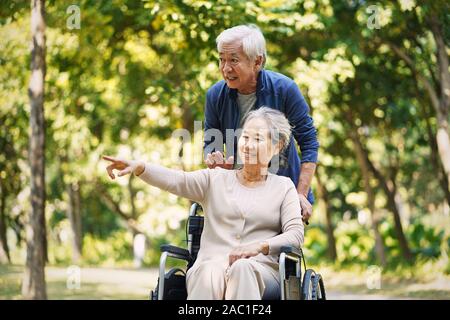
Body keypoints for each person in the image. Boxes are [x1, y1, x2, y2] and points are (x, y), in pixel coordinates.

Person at [103, 107, 304, 300]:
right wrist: (140, 167)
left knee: (243, 268)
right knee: (209, 272)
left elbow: (295, 235)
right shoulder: (214, 179)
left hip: (261, 272)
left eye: (258, 139)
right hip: (210, 267)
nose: (248, 144)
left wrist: (259, 247)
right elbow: (176, 180)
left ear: (277, 145)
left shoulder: (283, 187)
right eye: (245, 137)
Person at [204, 24, 319, 223]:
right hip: (238, 197)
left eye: (233, 60)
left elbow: (309, 143)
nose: (225, 68)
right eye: (221, 60)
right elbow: (211, 143)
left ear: (257, 61)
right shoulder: (215, 96)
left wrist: (300, 195)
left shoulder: (285, 89)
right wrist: (215, 161)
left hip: (282, 199)